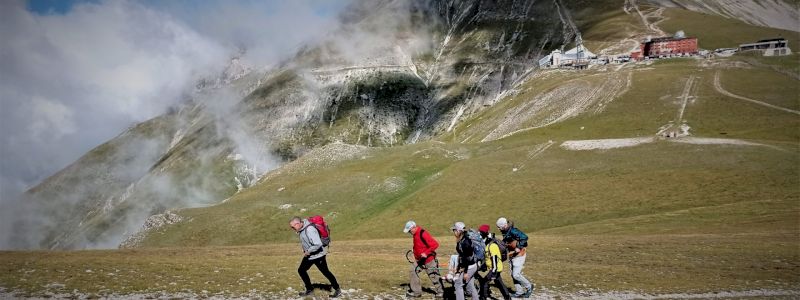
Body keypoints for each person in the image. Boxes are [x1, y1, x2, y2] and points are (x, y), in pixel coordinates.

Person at [289, 216, 341, 298]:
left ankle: (337, 289)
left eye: (293, 226)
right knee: (301, 270)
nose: (292, 228)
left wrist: (308, 251)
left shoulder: (309, 229)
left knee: (326, 272)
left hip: (318, 256)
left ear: (298, 224)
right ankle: (309, 290)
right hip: (310, 255)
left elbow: (318, 244)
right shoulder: (302, 229)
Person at [404, 220, 445, 298]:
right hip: (419, 260)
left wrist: (426, 253)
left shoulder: (423, 233)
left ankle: (441, 292)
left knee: (433, 276)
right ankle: (417, 292)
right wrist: (414, 251)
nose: (409, 232)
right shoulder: (414, 234)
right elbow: (418, 245)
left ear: (413, 227)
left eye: (409, 230)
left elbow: (435, 244)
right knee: (413, 271)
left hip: (429, 260)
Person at [497, 217, 532, 298]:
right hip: (512, 255)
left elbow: (525, 237)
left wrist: (519, 247)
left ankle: (529, 287)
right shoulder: (505, 231)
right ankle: (519, 292)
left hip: (519, 254)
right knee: (513, 274)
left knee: (516, 275)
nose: (498, 229)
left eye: (499, 227)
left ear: (504, 225)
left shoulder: (513, 230)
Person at [478, 224, 511, 300]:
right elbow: (488, 257)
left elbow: (494, 258)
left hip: (495, 268)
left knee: (485, 282)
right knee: (499, 283)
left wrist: (493, 271)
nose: (479, 234)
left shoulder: (492, 245)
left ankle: (483, 298)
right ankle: (507, 298)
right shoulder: (488, 244)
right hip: (493, 268)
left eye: (480, 233)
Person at [452, 221, 479, 300]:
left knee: (458, 284)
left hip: (470, 266)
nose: (453, 232)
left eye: (454, 230)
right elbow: (463, 257)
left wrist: (465, 272)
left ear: (459, 231)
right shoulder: (462, 240)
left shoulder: (465, 242)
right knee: (470, 284)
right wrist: (459, 267)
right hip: (470, 265)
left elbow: (467, 258)